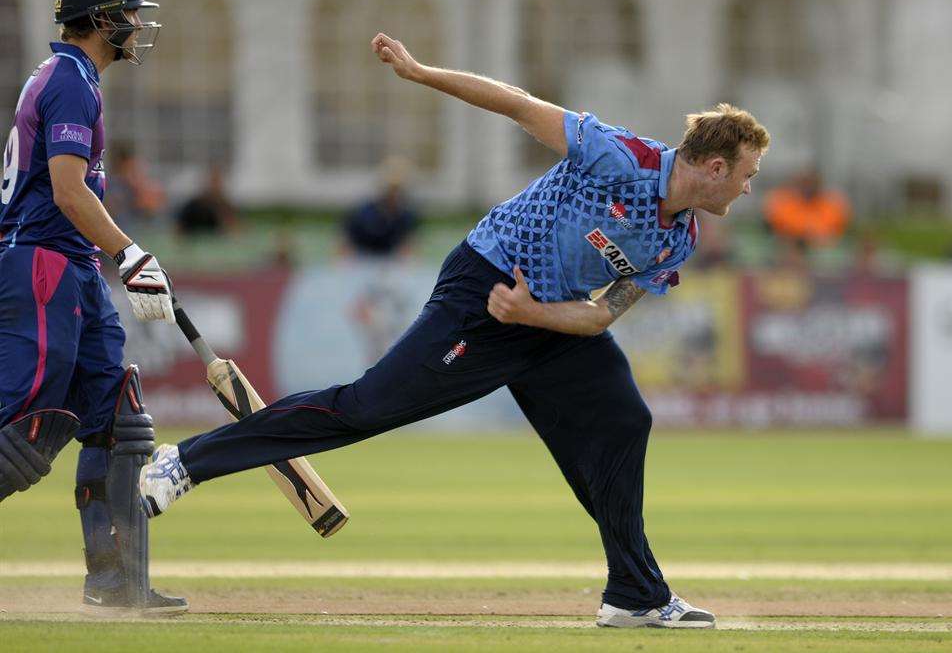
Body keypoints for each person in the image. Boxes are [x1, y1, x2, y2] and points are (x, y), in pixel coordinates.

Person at [141, 32, 770, 630]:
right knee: (365, 408)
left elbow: (603, 315)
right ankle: (183, 462)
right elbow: (517, 105)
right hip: (484, 290)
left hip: (544, 318)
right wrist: (419, 73)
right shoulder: (618, 155)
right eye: (747, 175)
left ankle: (635, 595)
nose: (748, 188)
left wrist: (536, 316)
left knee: (623, 419)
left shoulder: (678, 235)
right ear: (714, 166)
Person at [0, 0, 186, 615]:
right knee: (20, 427)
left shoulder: (71, 79)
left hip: (70, 265)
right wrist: (131, 254)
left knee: (118, 416)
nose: (138, 26)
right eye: (131, 14)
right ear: (104, 19)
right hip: (41, 263)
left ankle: (115, 582)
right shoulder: (71, 81)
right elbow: (67, 189)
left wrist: (115, 258)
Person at [343, 157, 419, 257]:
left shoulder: (407, 216)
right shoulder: (362, 213)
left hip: (392, 263)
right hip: (362, 260)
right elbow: (345, 246)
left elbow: (408, 247)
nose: (394, 194)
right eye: (392, 188)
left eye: (397, 189)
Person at [176, 165, 237, 236]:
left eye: (217, 182)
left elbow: (234, 229)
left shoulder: (224, 206)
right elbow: (178, 229)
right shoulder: (193, 206)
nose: (215, 186)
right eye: (213, 182)